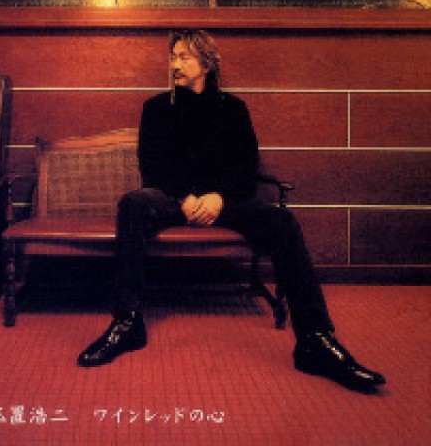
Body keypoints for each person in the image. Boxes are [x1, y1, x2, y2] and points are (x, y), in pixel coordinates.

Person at [77, 30, 386, 394]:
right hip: (173, 200)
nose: (175, 64)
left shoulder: (233, 109)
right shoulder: (156, 108)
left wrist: (219, 197)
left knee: (282, 221)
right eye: (173, 56)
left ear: (207, 63)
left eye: (184, 57)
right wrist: (184, 197)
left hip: (224, 202)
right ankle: (127, 322)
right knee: (133, 203)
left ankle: (314, 339)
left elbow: (246, 166)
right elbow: (152, 166)